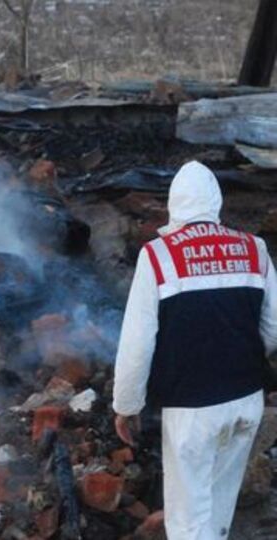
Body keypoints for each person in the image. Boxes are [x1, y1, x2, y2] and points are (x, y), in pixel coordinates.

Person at [112, 161, 277, 540]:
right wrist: (240, 354)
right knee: (219, 505)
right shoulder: (254, 248)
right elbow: (273, 327)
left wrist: (127, 406)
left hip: (192, 410)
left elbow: (137, 344)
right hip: (247, 400)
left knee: (188, 521)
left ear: (175, 205)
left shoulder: (158, 255)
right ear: (215, 203)